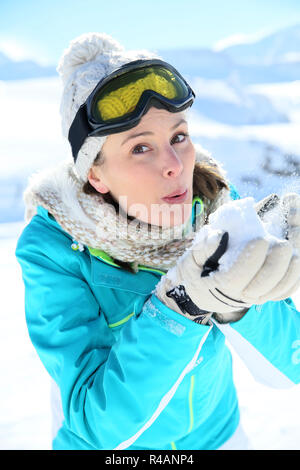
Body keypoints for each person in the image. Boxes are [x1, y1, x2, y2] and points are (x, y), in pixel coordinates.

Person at [16, 32, 300, 451]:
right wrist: (181, 305)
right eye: (140, 148)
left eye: (179, 137)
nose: (174, 165)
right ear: (95, 174)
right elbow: (98, 426)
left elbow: (288, 367)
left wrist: (238, 305)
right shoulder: (54, 250)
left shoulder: (217, 209)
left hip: (218, 436)